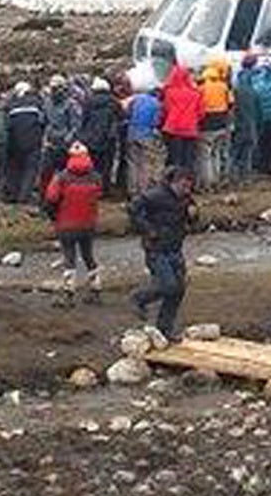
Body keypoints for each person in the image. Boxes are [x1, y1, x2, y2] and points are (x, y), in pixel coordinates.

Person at [128, 168, 199, 338]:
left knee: (179, 290)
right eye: (184, 186)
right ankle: (139, 298)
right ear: (174, 182)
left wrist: (194, 216)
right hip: (156, 249)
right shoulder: (155, 195)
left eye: (189, 187)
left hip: (175, 248)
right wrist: (148, 230)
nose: (187, 190)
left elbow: (193, 219)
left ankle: (164, 329)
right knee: (168, 286)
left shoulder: (186, 198)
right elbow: (133, 209)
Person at [44, 140, 105, 301]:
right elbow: (99, 194)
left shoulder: (62, 177)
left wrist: (53, 217)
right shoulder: (96, 177)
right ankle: (96, 287)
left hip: (66, 224)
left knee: (69, 257)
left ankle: (68, 292)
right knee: (88, 255)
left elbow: (50, 199)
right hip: (88, 224)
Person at [79, 77, 123, 194]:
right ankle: (104, 188)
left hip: (90, 137)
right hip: (108, 138)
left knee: (93, 163)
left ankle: (91, 186)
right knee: (107, 165)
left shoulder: (88, 101)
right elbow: (121, 117)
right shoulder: (114, 101)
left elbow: (83, 120)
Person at [39, 74, 81, 196]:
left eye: (57, 88)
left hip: (64, 145)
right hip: (50, 144)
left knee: (65, 175)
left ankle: (64, 200)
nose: (55, 91)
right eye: (53, 88)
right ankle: (44, 202)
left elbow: (76, 125)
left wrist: (68, 139)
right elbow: (43, 121)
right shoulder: (47, 102)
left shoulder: (71, 104)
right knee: (45, 174)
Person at [5, 82, 44, 203]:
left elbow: (7, 125)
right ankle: (25, 195)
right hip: (33, 141)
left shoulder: (11, 106)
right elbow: (42, 122)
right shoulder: (37, 104)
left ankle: (13, 194)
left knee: (14, 169)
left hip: (14, 142)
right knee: (30, 170)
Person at [162, 63, 205, 172]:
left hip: (173, 129)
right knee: (188, 159)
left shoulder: (169, 92)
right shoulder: (196, 93)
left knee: (174, 159)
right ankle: (187, 184)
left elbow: (166, 109)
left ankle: (173, 183)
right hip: (190, 129)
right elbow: (201, 113)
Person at [124, 81, 164, 191]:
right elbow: (156, 122)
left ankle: (132, 189)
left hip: (131, 133)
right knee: (145, 163)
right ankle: (143, 189)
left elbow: (127, 114)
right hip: (147, 135)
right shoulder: (157, 103)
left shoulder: (135, 100)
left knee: (132, 163)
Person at [230, 56, 262, 180]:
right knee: (247, 151)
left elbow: (232, 108)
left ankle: (232, 175)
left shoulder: (236, 88)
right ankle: (246, 175)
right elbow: (259, 111)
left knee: (235, 151)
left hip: (238, 124)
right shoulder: (254, 90)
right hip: (251, 124)